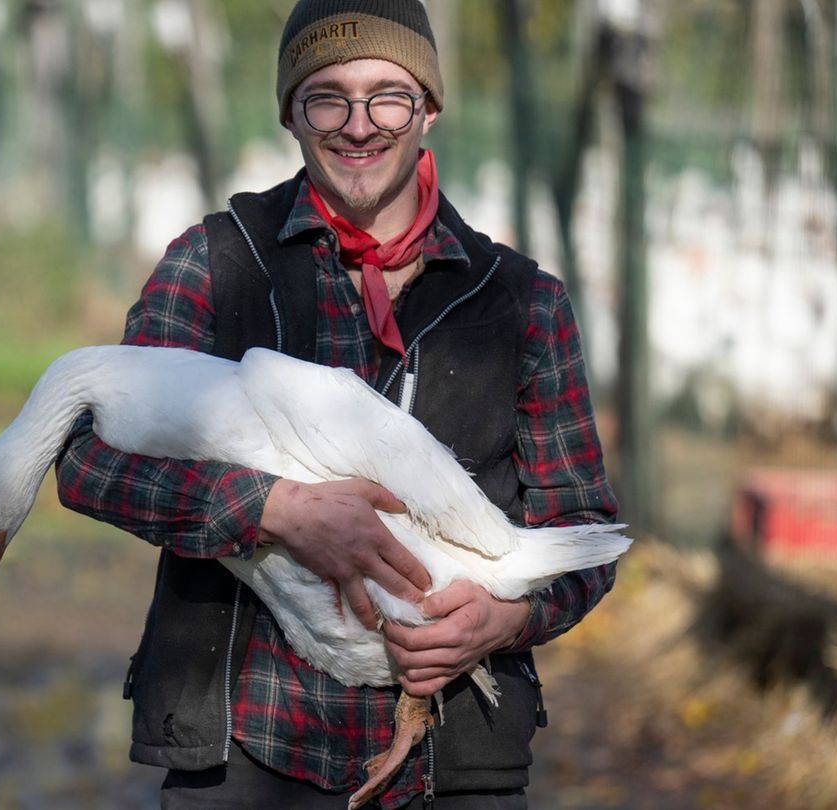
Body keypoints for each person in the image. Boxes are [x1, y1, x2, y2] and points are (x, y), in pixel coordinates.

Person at [56, 1, 618, 807]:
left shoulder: (521, 303)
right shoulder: (215, 266)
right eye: (327, 96)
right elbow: (86, 462)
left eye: (388, 93)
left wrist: (501, 623)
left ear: (428, 106)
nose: (360, 125)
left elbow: (583, 530)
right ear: (290, 111)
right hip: (245, 754)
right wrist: (270, 508)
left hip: (456, 766)